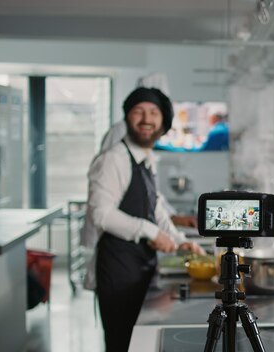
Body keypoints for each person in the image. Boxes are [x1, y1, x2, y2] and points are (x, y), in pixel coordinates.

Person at [86, 87, 205, 351]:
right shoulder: (113, 160)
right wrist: (151, 232)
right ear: (127, 117)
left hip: (139, 266)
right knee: (121, 343)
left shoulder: (145, 159)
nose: (146, 119)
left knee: (137, 342)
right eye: (138, 112)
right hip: (118, 270)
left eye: (154, 113)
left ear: (163, 122)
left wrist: (179, 240)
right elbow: (101, 214)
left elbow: (156, 206)